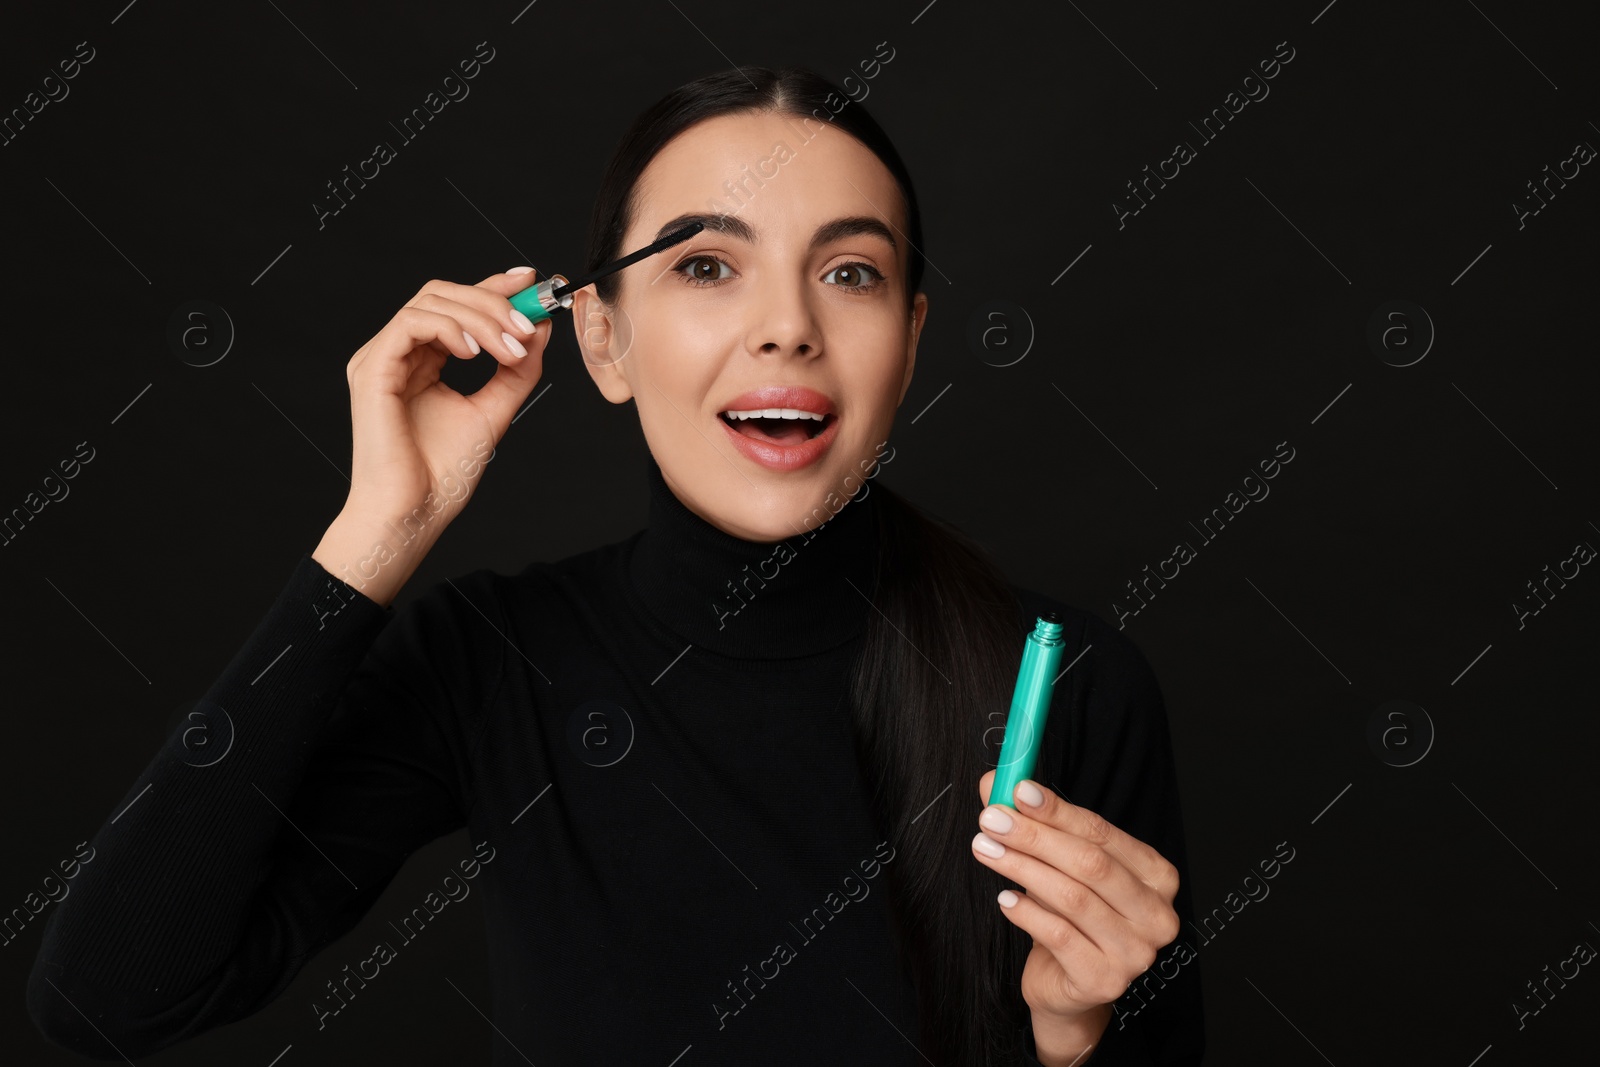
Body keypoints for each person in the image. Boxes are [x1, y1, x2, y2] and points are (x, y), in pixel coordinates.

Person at [25, 66, 1204, 1066]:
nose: (788, 325)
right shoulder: (491, 660)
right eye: (704, 265)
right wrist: (377, 530)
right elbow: (108, 995)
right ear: (601, 338)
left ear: (909, 343)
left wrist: (1071, 1036)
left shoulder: (1073, 684)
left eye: (850, 272)